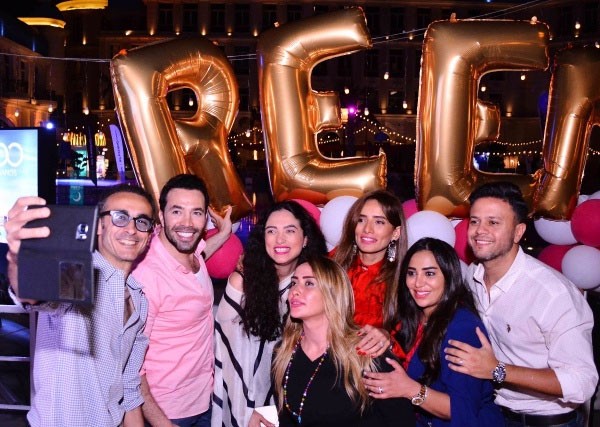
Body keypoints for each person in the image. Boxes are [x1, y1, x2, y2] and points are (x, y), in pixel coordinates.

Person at [444, 181, 598, 427]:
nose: (480, 230)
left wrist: (497, 370)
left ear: (518, 232)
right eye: (474, 221)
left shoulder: (553, 294)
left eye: (493, 222)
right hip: (494, 413)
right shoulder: (472, 276)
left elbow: (581, 383)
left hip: (548, 421)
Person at [5, 185, 156, 426]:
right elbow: (33, 294)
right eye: (120, 217)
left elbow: (129, 387)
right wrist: (18, 258)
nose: (131, 229)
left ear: (149, 235)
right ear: (99, 226)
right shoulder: (78, 273)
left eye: (142, 221)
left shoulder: (139, 300)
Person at [363, 237, 503, 426]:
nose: (418, 283)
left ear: (449, 275)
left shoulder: (462, 328)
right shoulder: (413, 318)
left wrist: (411, 389)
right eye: (411, 273)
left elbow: (462, 410)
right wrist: (386, 337)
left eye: (429, 274)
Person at [212, 201, 327, 427]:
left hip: (296, 401)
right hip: (242, 399)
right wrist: (246, 413)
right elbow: (231, 355)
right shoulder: (242, 283)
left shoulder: (317, 288)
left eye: (290, 231)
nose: (279, 239)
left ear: (305, 239)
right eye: (271, 231)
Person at [132, 174, 232, 427]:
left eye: (196, 213)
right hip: (168, 410)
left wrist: (224, 233)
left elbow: (199, 256)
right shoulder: (147, 276)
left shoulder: (191, 251)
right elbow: (131, 364)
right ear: (161, 215)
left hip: (204, 397)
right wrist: (162, 423)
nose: (187, 223)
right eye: (177, 211)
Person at [273, 256, 416, 427]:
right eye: (294, 283)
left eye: (309, 283)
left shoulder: (367, 351)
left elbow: (402, 421)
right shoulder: (283, 352)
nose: (295, 291)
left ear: (333, 294)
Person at [333, 190, 408, 360]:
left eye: (379, 222)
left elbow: (411, 340)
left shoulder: (405, 280)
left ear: (395, 233)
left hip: (373, 368)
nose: (367, 229)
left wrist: (388, 338)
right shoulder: (331, 266)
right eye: (361, 220)